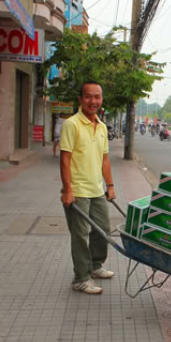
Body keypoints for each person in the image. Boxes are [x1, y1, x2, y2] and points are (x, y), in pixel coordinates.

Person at [60, 82, 116, 295]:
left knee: (103, 231)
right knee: (80, 236)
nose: (93, 101)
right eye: (88, 97)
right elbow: (65, 160)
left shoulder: (101, 127)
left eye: (97, 97)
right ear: (81, 99)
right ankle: (81, 278)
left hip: (96, 190)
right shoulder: (71, 125)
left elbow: (105, 160)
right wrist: (67, 190)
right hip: (77, 191)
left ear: (102, 99)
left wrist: (109, 185)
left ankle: (95, 265)